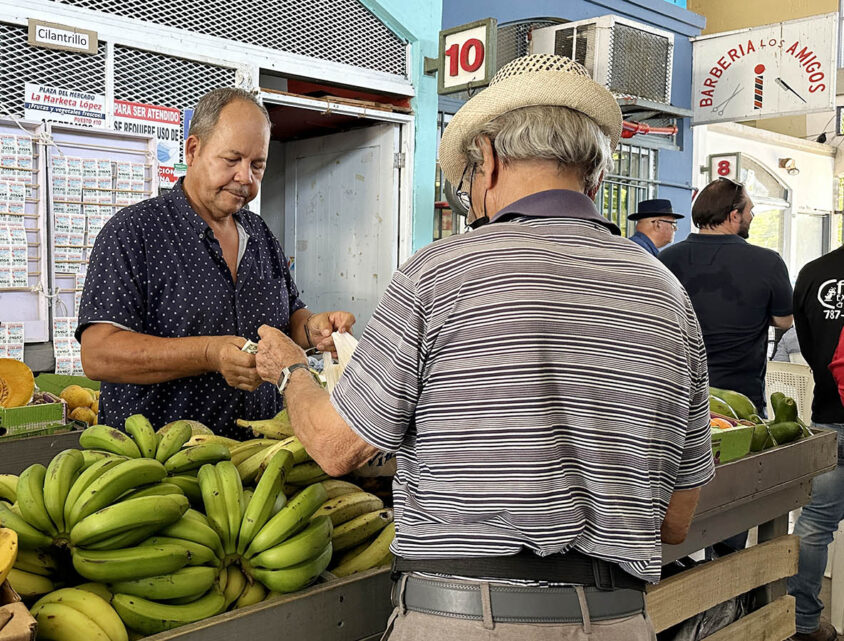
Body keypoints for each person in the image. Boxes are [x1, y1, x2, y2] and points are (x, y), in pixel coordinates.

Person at [255, 54, 713, 640]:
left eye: (468, 179)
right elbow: (675, 520)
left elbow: (337, 448)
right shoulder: (667, 294)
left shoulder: (440, 274)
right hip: (617, 622)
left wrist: (291, 369)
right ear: (594, 176)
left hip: (465, 620)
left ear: (489, 160)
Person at [75, 88, 354, 440]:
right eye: (232, 159)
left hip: (259, 458)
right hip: (161, 469)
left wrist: (314, 329)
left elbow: (291, 317)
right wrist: (208, 353)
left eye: (257, 165)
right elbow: (98, 354)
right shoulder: (133, 233)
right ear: (194, 150)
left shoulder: (260, 233)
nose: (245, 178)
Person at [659, 178, 794, 415]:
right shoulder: (768, 262)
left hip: (678, 399)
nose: (752, 216)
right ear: (734, 215)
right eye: (750, 210)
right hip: (741, 404)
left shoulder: (665, 260)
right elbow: (785, 321)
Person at [786, 245, 844, 641]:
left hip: (829, 414)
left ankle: (802, 623)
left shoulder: (815, 271)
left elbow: (805, 342)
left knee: (814, 526)